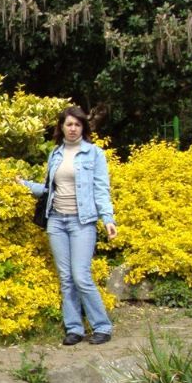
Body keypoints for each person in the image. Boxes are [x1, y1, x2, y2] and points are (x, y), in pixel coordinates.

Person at [19, 105, 118, 346]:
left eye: (77, 124)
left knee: (81, 276)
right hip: (56, 221)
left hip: (81, 221)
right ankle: (74, 328)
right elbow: (49, 189)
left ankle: (102, 326)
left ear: (83, 127)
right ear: (61, 127)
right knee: (66, 278)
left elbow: (100, 189)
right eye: (68, 124)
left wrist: (108, 219)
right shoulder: (56, 154)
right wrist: (25, 185)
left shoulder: (94, 154)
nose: (72, 128)